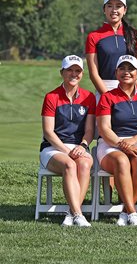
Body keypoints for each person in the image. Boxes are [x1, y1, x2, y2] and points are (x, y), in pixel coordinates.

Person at [96, 55, 137, 227]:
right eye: (122, 69)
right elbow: (104, 129)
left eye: (130, 69)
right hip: (111, 143)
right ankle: (132, 211)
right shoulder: (108, 97)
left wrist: (133, 141)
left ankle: (125, 212)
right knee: (121, 161)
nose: (126, 72)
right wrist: (121, 144)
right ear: (116, 73)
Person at [40, 55, 96, 227]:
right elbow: (48, 132)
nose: (74, 74)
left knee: (85, 164)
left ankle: (71, 214)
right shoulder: (51, 97)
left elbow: (89, 130)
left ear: (82, 74)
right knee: (70, 165)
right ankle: (78, 214)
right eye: (69, 70)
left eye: (77, 70)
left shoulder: (89, 97)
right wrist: (66, 151)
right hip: (53, 148)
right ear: (62, 72)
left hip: (78, 147)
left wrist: (83, 145)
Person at [86, 0, 137, 96]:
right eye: (109, 6)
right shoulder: (93, 36)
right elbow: (93, 74)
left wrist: (130, 91)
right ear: (104, 9)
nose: (114, 10)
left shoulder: (136, 35)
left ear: (125, 10)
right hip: (104, 90)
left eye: (118, 6)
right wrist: (108, 97)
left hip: (131, 90)